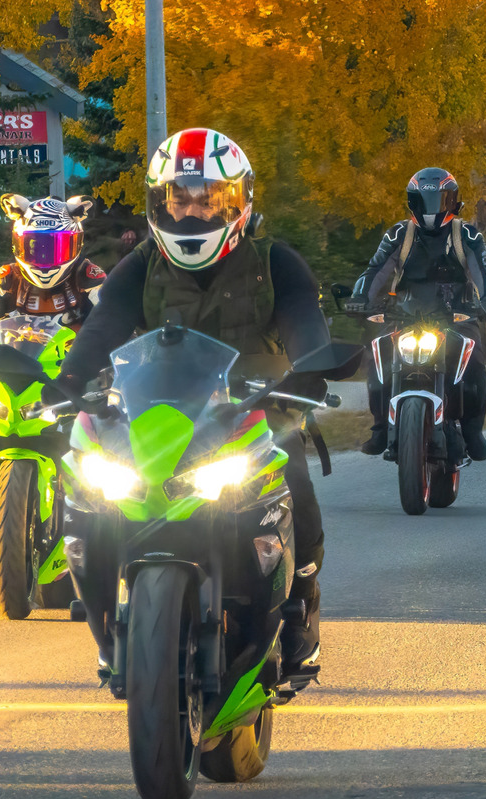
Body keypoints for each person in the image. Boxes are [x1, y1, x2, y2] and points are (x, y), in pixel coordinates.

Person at [51, 128, 333, 682]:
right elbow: (105, 321)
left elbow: (305, 322)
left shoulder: (275, 261)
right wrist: (69, 380)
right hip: (158, 412)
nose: (193, 209)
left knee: (294, 482)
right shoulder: (143, 262)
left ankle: (300, 606)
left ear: (239, 201)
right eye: (179, 196)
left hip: (255, 410)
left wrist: (312, 370)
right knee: (97, 491)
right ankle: (107, 618)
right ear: (160, 201)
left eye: (209, 197)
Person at [346, 167, 486, 461]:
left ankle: (472, 430)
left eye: (442, 200)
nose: (433, 209)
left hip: (457, 314)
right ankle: (380, 426)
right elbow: (375, 270)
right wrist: (359, 297)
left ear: (453, 201)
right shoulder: (399, 234)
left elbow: (485, 271)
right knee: (377, 357)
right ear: (413, 202)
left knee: (475, 363)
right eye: (426, 201)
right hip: (405, 315)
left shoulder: (466, 233)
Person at [0, 194, 105, 375]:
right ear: (18, 244)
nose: (45, 257)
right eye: (35, 246)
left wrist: (121, 359)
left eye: (59, 247)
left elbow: (113, 316)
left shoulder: (88, 276)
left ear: (76, 244)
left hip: (73, 373)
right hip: (12, 371)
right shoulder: (7, 278)